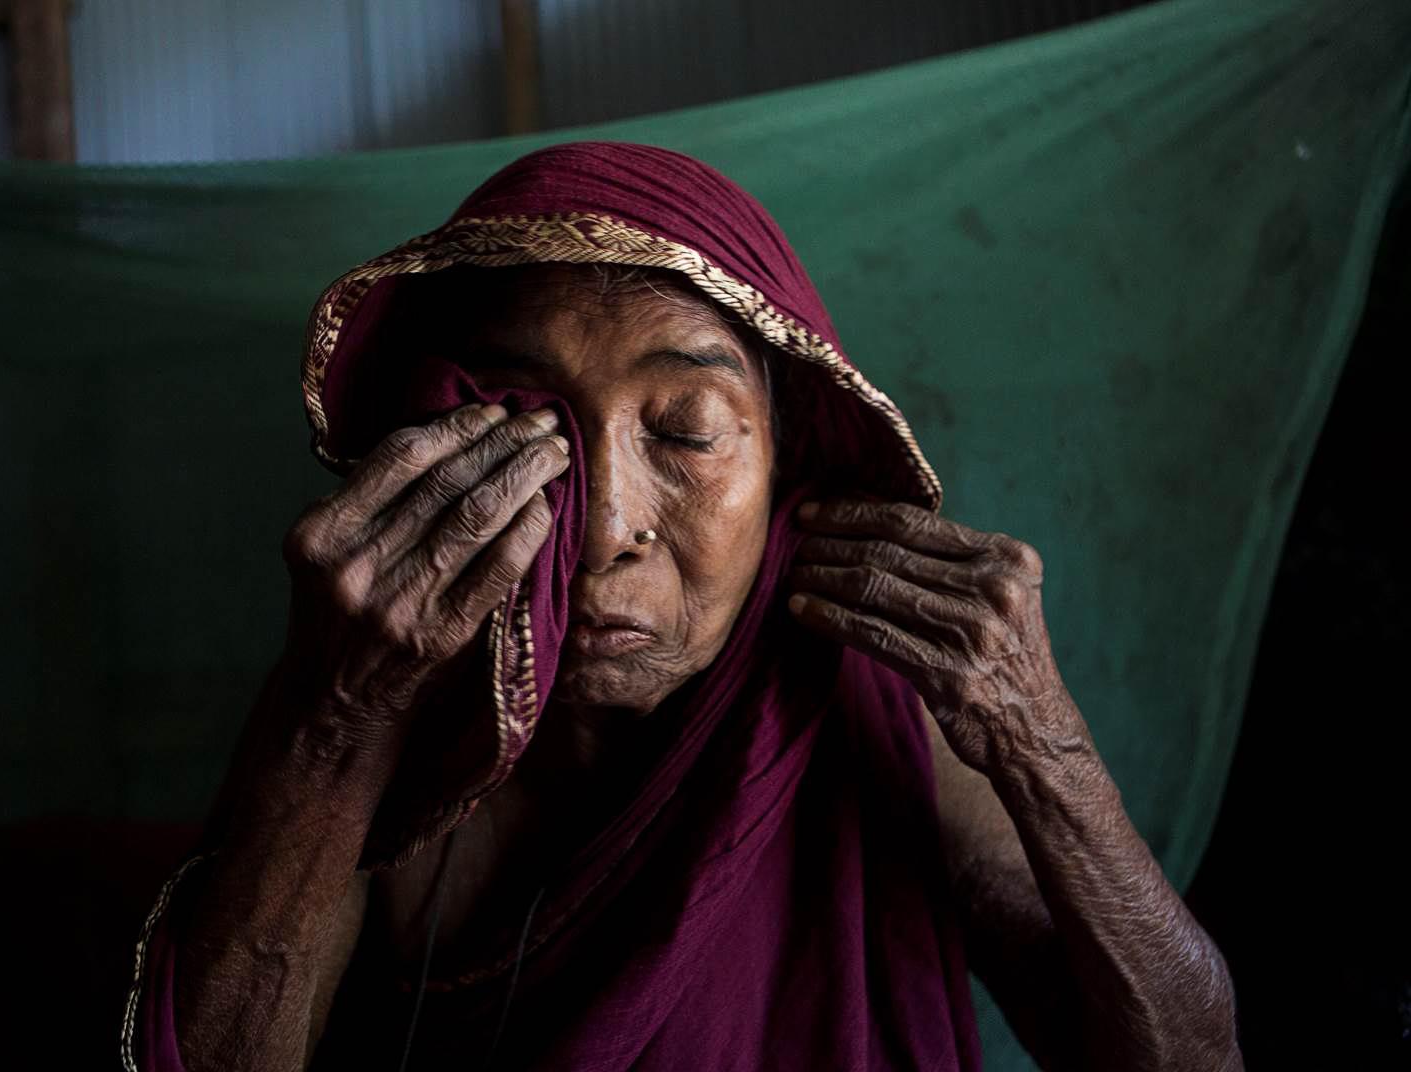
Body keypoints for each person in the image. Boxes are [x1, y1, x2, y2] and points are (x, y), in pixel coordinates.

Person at [121, 141, 1242, 1071]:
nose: (608, 527)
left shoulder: (869, 706)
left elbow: (1191, 1060)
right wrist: (330, 722)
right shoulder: (396, 708)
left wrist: (1045, 745)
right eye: (538, 429)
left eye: (687, 433)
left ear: (786, 452)